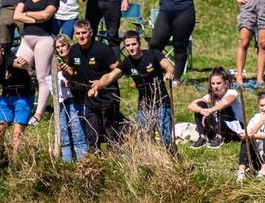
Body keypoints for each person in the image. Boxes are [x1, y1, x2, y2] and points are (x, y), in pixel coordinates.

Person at [91, 31, 175, 152]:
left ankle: (171, 163)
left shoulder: (153, 54)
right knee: (143, 140)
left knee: (165, 140)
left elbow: (168, 66)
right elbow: (110, 76)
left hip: (161, 103)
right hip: (144, 106)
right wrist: (98, 85)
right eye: (128, 45)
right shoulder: (127, 63)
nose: (131, 48)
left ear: (139, 43)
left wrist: (168, 73)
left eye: (134, 44)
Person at [62, 20, 123, 152]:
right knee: (92, 135)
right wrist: (67, 73)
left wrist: (102, 82)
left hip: (108, 95)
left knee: (110, 133)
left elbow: (118, 70)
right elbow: (73, 71)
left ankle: (115, 163)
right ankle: (95, 164)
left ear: (91, 32)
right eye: (78, 33)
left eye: (84, 32)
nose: (81, 36)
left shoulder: (102, 49)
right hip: (90, 98)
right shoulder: (74, 50)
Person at [13, 0, 59, 125]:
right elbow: (16, 16)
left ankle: (38, 115)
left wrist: (27, 14)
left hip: (44, 40)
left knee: (42, 78)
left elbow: (46, 15)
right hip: (26, 39)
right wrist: (35, 17)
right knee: (17, 67)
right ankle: (21, 104)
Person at [187, 68, 244, 148]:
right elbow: (190, 106)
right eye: (213, 84)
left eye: (219, 83)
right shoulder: (210, 97)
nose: (215, 86)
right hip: (217, 127)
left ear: (226, 83)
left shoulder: (232, 92)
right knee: (200, 104)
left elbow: (226, 102)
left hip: (234, 129)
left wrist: (210, 110)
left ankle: (220, 137)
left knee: (223, 108)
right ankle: (203, 137)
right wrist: (201, 110)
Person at [53, 35, 88, 162]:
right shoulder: (56, 63)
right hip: (62, 101)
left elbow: (85, 80)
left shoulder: (77, 60)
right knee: (65, 138)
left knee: (78, 136)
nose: (61, 49)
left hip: (77, 100)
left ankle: (83, 165)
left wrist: (72, 82)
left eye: (63, 46)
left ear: (69, 45)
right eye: (58, 47)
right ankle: (66, 166)